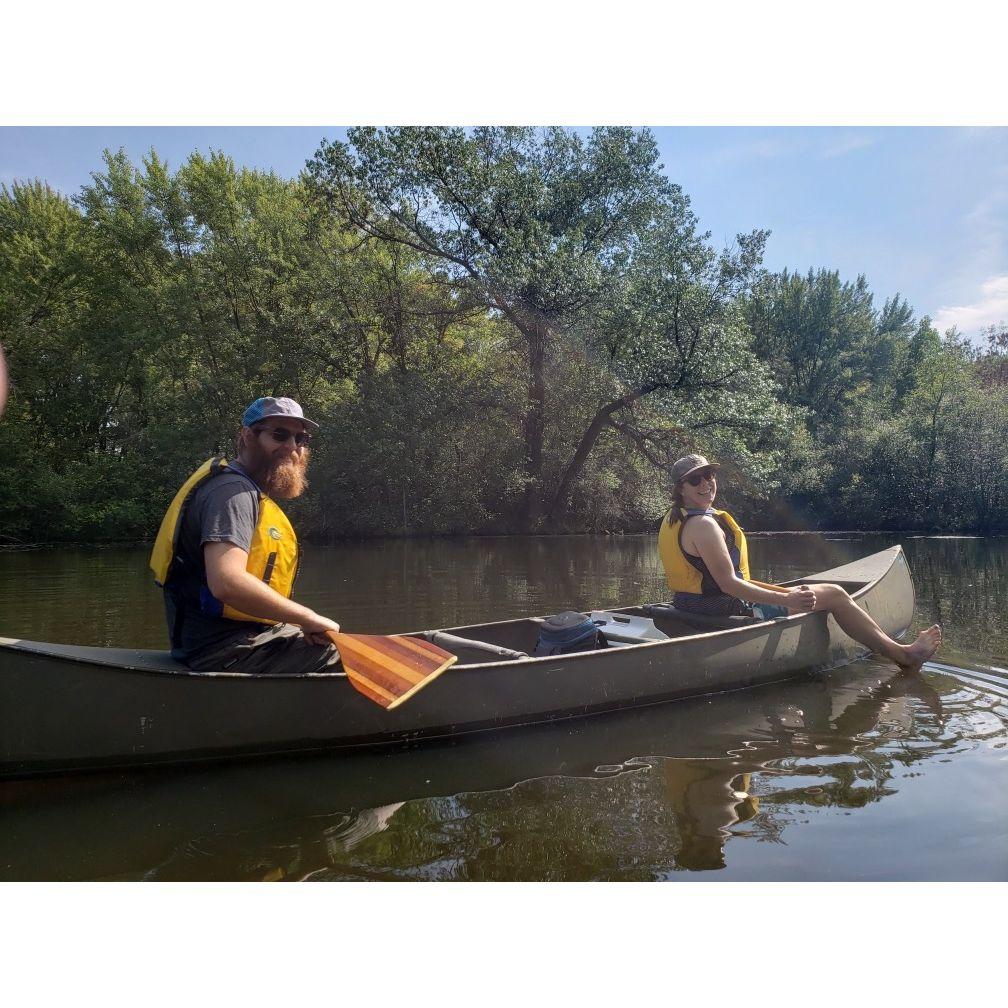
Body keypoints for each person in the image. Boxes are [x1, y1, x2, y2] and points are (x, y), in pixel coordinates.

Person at [657, 453, 941, 671]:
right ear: (680, 488)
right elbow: (729, 584)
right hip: (723, 608)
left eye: (709, 476)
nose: (706, 484)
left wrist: (784, 593)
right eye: (696, 480)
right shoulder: (705, 527)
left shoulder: (675, 519)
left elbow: (721, 580)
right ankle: (904, 656)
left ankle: (898, 651)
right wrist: (790, 600)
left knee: (805, 590)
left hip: (688, 604)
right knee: (835, 593)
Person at [150, 396, 342, 674]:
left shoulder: (245, 489)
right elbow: (227, 582)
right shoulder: (232, 493)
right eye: (279, 434)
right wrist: (307, 617)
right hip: (227, 651)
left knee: (336, 643)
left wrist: (300, 625)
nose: (291, 447)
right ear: (247, 436)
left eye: (300, 438)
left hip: (246, 640)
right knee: (351, 660)